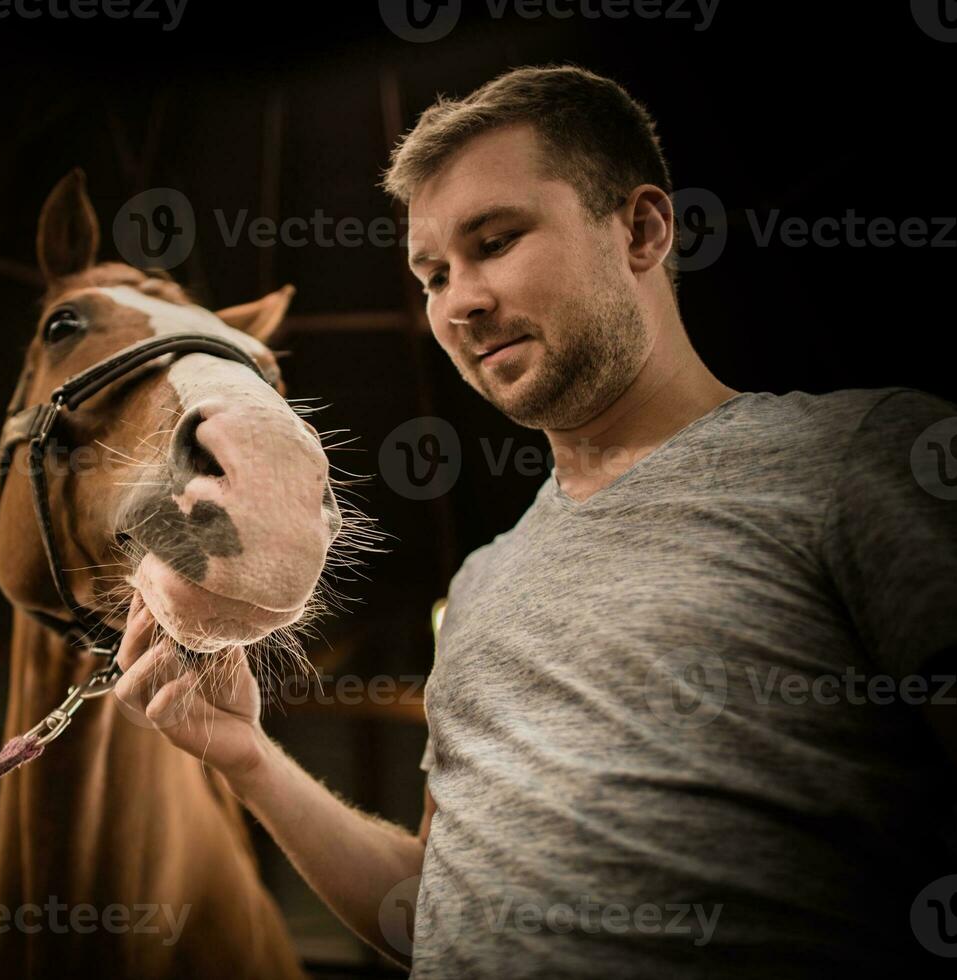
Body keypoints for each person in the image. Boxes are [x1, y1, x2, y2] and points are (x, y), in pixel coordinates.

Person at [112, 64, 957, 978]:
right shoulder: (478, 583)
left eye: (496, 240)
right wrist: (248, 759)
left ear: (641, 229)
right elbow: (427, 915)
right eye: (431, 274)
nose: (458, 302)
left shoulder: (858, 456)